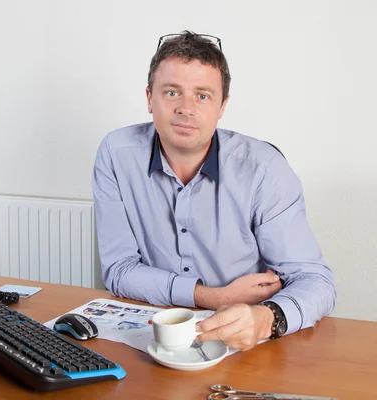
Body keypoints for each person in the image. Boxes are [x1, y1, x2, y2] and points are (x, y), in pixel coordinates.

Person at [91, 31, 336, 351]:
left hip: (244, 342)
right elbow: (120, 270)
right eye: (171, 92)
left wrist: (266, 318)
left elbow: (316, 281)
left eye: (203, 95)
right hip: (152, 336)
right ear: (150, 98)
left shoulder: (264, 169)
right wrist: (210, 296)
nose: (186, 108)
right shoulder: (115, 153)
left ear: (222, 106)